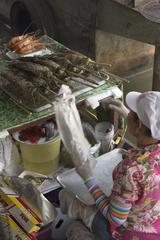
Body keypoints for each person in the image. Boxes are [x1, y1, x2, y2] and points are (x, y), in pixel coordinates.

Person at [59, 91, 160, 240]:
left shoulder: (132, 169)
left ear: (139, 124)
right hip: (154, 226)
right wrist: (126, 112)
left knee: (67, 201)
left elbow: (116, 219)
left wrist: (88, 177)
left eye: (132, 112)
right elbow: (150, 131)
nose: (129, 112)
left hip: (132, 234)